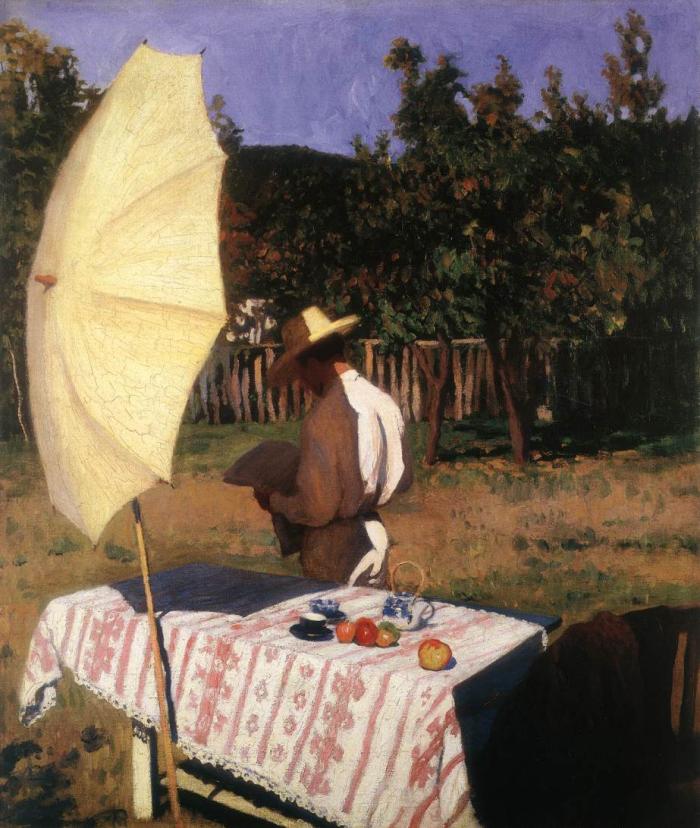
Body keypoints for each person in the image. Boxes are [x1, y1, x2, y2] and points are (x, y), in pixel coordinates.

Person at [255, 306, 413, 588]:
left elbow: (317, 508)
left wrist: (275, 501)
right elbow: (404, 479)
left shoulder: (325, 417)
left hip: (337, 550)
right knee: (370, 613)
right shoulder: (383, 402)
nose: (302, 384)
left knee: (333, 615)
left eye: (300, 373)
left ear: (311, 363)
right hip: (375, 537)